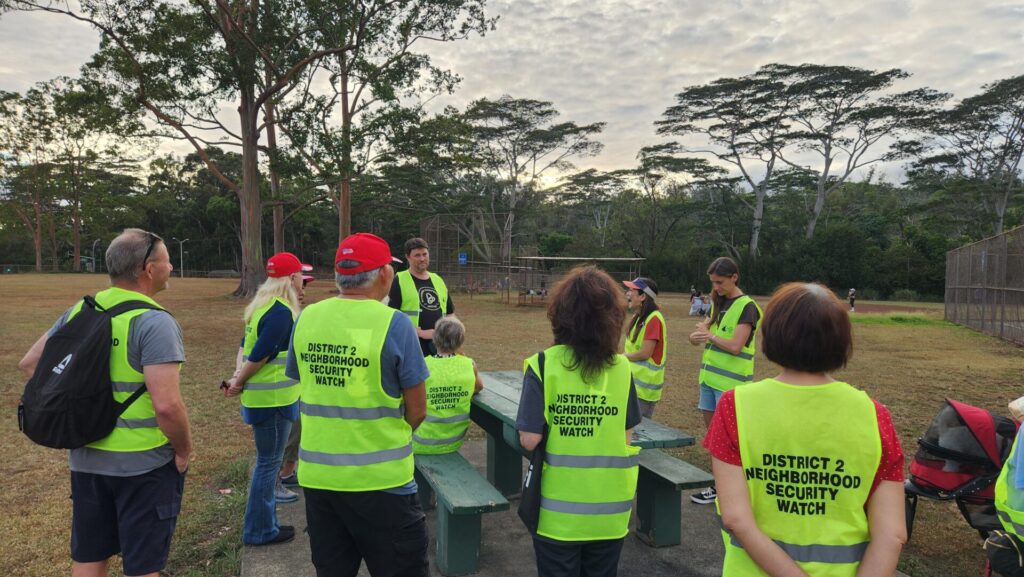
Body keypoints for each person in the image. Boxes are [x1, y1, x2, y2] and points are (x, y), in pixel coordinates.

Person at [18, 228, 192, 577]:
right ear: (148, 269)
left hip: (85, 459)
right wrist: (184, 450)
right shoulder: (154, 322)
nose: (171, 266)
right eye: (166, 260)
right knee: (143, 564)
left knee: (90, 555)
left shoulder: (82, 310)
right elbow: (167, 407)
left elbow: (31, 365)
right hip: (143, 465)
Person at [706, 282, 906, 576]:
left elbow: (736, 518)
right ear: (841, 340)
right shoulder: (875, 416)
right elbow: (892, 535)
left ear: (771, 334)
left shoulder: (735, 406)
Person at [287, 232, 429, 577]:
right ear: (383, 274)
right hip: (382, 482)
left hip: (320, 480)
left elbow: (303, 380)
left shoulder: (306, 317)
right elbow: (418, 409)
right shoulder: (394, 323)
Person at [516, 265, 643, 577]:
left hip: (557, 516)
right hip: (610, 512)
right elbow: (626, 435)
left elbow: (529, 439)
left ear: (560, 314)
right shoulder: (622, 368)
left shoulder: (543, 365)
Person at [223, 252, 307, 545]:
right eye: (300, 276)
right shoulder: (282, 311)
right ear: (291, 278)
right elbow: (260, 353)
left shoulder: (261, 306)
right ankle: (260, 530)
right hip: (273, 401)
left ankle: (265, 524)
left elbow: (244, 346)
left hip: (264, 401)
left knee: (266, 463)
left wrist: (236, 376)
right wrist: (239, 381)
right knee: (268, 465)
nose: (302, 281)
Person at [689, 256, 761, 505]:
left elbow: (735, 345)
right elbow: (705, 333)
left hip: (730, 387)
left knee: (730, 440)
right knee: (714, 438)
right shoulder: (718, 303)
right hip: (709, 381)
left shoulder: (747, 307)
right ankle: (719, 486)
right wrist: (696, 336)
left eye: (720, 282)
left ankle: (731, 490)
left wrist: (709, 335)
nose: (716, 288)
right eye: (713, 282)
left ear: (734, 277)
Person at [412, 316, 484, 454]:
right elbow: (479, 387)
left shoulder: (423, 365)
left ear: (435, 339)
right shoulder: (469, 364)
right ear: (461, 341)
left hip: (420, 442)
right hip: (453, 442)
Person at [279, 269, 315, 488]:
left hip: (293, 386)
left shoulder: (292, 311)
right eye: (302, 284)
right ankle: (284, 473)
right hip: (287, 388)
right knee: (292, 430)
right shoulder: (284, 314)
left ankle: (286, 470)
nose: (303, 290)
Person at [388, 237, 455, 356]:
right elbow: (391, 317)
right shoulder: (399, 280)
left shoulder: (438, 280)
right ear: (408, 257)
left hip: (441, 347)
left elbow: (450, 313)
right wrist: (419, 333)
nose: (422, 259)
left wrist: (450, 336)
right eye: (417, 255)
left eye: (425, 254)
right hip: (411, 347)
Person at [623, 276, 668, 418]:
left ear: (643, 296)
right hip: (633, 385)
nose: (627, 293)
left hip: (643, 390)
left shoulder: (653, 319)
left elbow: (645, 353)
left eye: (631, 290)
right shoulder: (638, 317)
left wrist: (620, 358)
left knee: (638, 433)